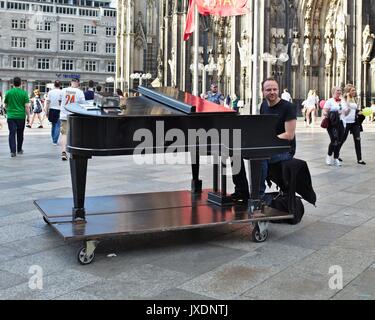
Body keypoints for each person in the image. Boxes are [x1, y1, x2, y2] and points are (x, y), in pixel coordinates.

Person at [232, 78, 297, 202]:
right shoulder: (263, 105)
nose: (272, 92)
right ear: (263, 92)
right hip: (270, 145)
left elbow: (289, 135)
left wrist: (266, 141)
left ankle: (258, 195)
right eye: (268, 90)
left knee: (259, 156)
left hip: (285, 149)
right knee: (235, 153)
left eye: (274, 89)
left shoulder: (288, 107)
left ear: (278, 90)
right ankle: (242, 190)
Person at [322, 86, 350, 167]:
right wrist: (329, 114)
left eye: (340, 90)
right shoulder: (329, 101)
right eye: (338, 90)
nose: (340, 91)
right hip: (332, 123)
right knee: (334, 140)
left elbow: (346, 113)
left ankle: (336, 158)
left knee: (339, 141)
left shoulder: (343, 101)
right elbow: (324, 111)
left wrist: (348, 109)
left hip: (341, 123)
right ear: (333, 91)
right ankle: (329, 156)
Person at [3, 77, 30, 157]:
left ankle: (13, 151)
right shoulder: (24, 93)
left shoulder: (8, 92)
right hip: (21, 116)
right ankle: (19, 149)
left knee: (12, 133)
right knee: (20, 133)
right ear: (21, 83)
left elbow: (5, 105)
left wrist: (8, 111)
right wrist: (28, 116)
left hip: (11, 116)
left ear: (13, 83)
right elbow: (27, 106)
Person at [60, 78, 85, 161]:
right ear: (78, 83)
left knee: (64, 134)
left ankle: (63, 152)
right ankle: (74, 151)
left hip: (64, 115)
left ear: (71, 82)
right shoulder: (80, 92)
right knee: (75, 134)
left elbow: (60, 101)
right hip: (75, 115)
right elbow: (83, 105)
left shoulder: (63, 90)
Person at [340, 84, 366, 165]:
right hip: (346, 122)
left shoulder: (354, 99)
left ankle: (359, 159)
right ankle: (336, 154)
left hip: (354, 122)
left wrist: (361, 112)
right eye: (352, 90)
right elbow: (346, 108)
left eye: (354, 90)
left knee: (357, 139)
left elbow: (355, 110)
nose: (354, 92)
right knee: (342, 139)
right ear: (348, 91)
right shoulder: (343, 99)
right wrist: (347, 97)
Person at [45, 80, 62, 146]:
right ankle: (55, 141)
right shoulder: (62, 92)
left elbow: (47, 102)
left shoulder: (50, 92)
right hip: (59, 110)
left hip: (52, 109)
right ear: (60, 85)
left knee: (53, 125)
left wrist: (46, 111)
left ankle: (53, 139)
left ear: (54, 85)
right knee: (58, 125)